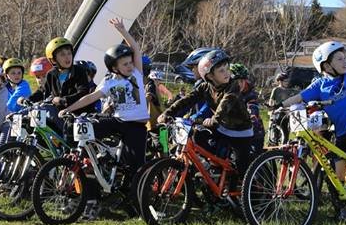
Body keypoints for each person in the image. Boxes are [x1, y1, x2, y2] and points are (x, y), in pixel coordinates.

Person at [277, 9, 346, 219]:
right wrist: (280, 105)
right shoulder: (320, 86)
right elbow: (299, 97)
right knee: (336, 177)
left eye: (345, 58)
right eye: (340, 59)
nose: (345, 61)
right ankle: (342, 209)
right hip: (341, 137)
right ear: (326, 65)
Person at [60, 18, 149, 179]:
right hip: (118, 121)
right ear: (115, 68)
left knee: (135, 167)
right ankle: (97, 160)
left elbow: (135, 49)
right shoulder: (110, 80)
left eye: (130, 63)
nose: (129, 66)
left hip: (136, 125)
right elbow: (91, 97)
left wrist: (123, 31)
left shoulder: (136, 73)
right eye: (125, 64)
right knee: (86, 125)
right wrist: (68, 109)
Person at [157, 50, 253, 189]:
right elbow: (187, 100)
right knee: (197, 136)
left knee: (243, 169)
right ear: (209, 76)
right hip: (221, 127)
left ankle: (251, 194)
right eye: (221, 71)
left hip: (240, 132)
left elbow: (225, 105)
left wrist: (213, 119)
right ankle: (211, 168)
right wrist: (167, 113)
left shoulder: (233, 87)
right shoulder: (204, 87)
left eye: (227, 69)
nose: (227, 73)